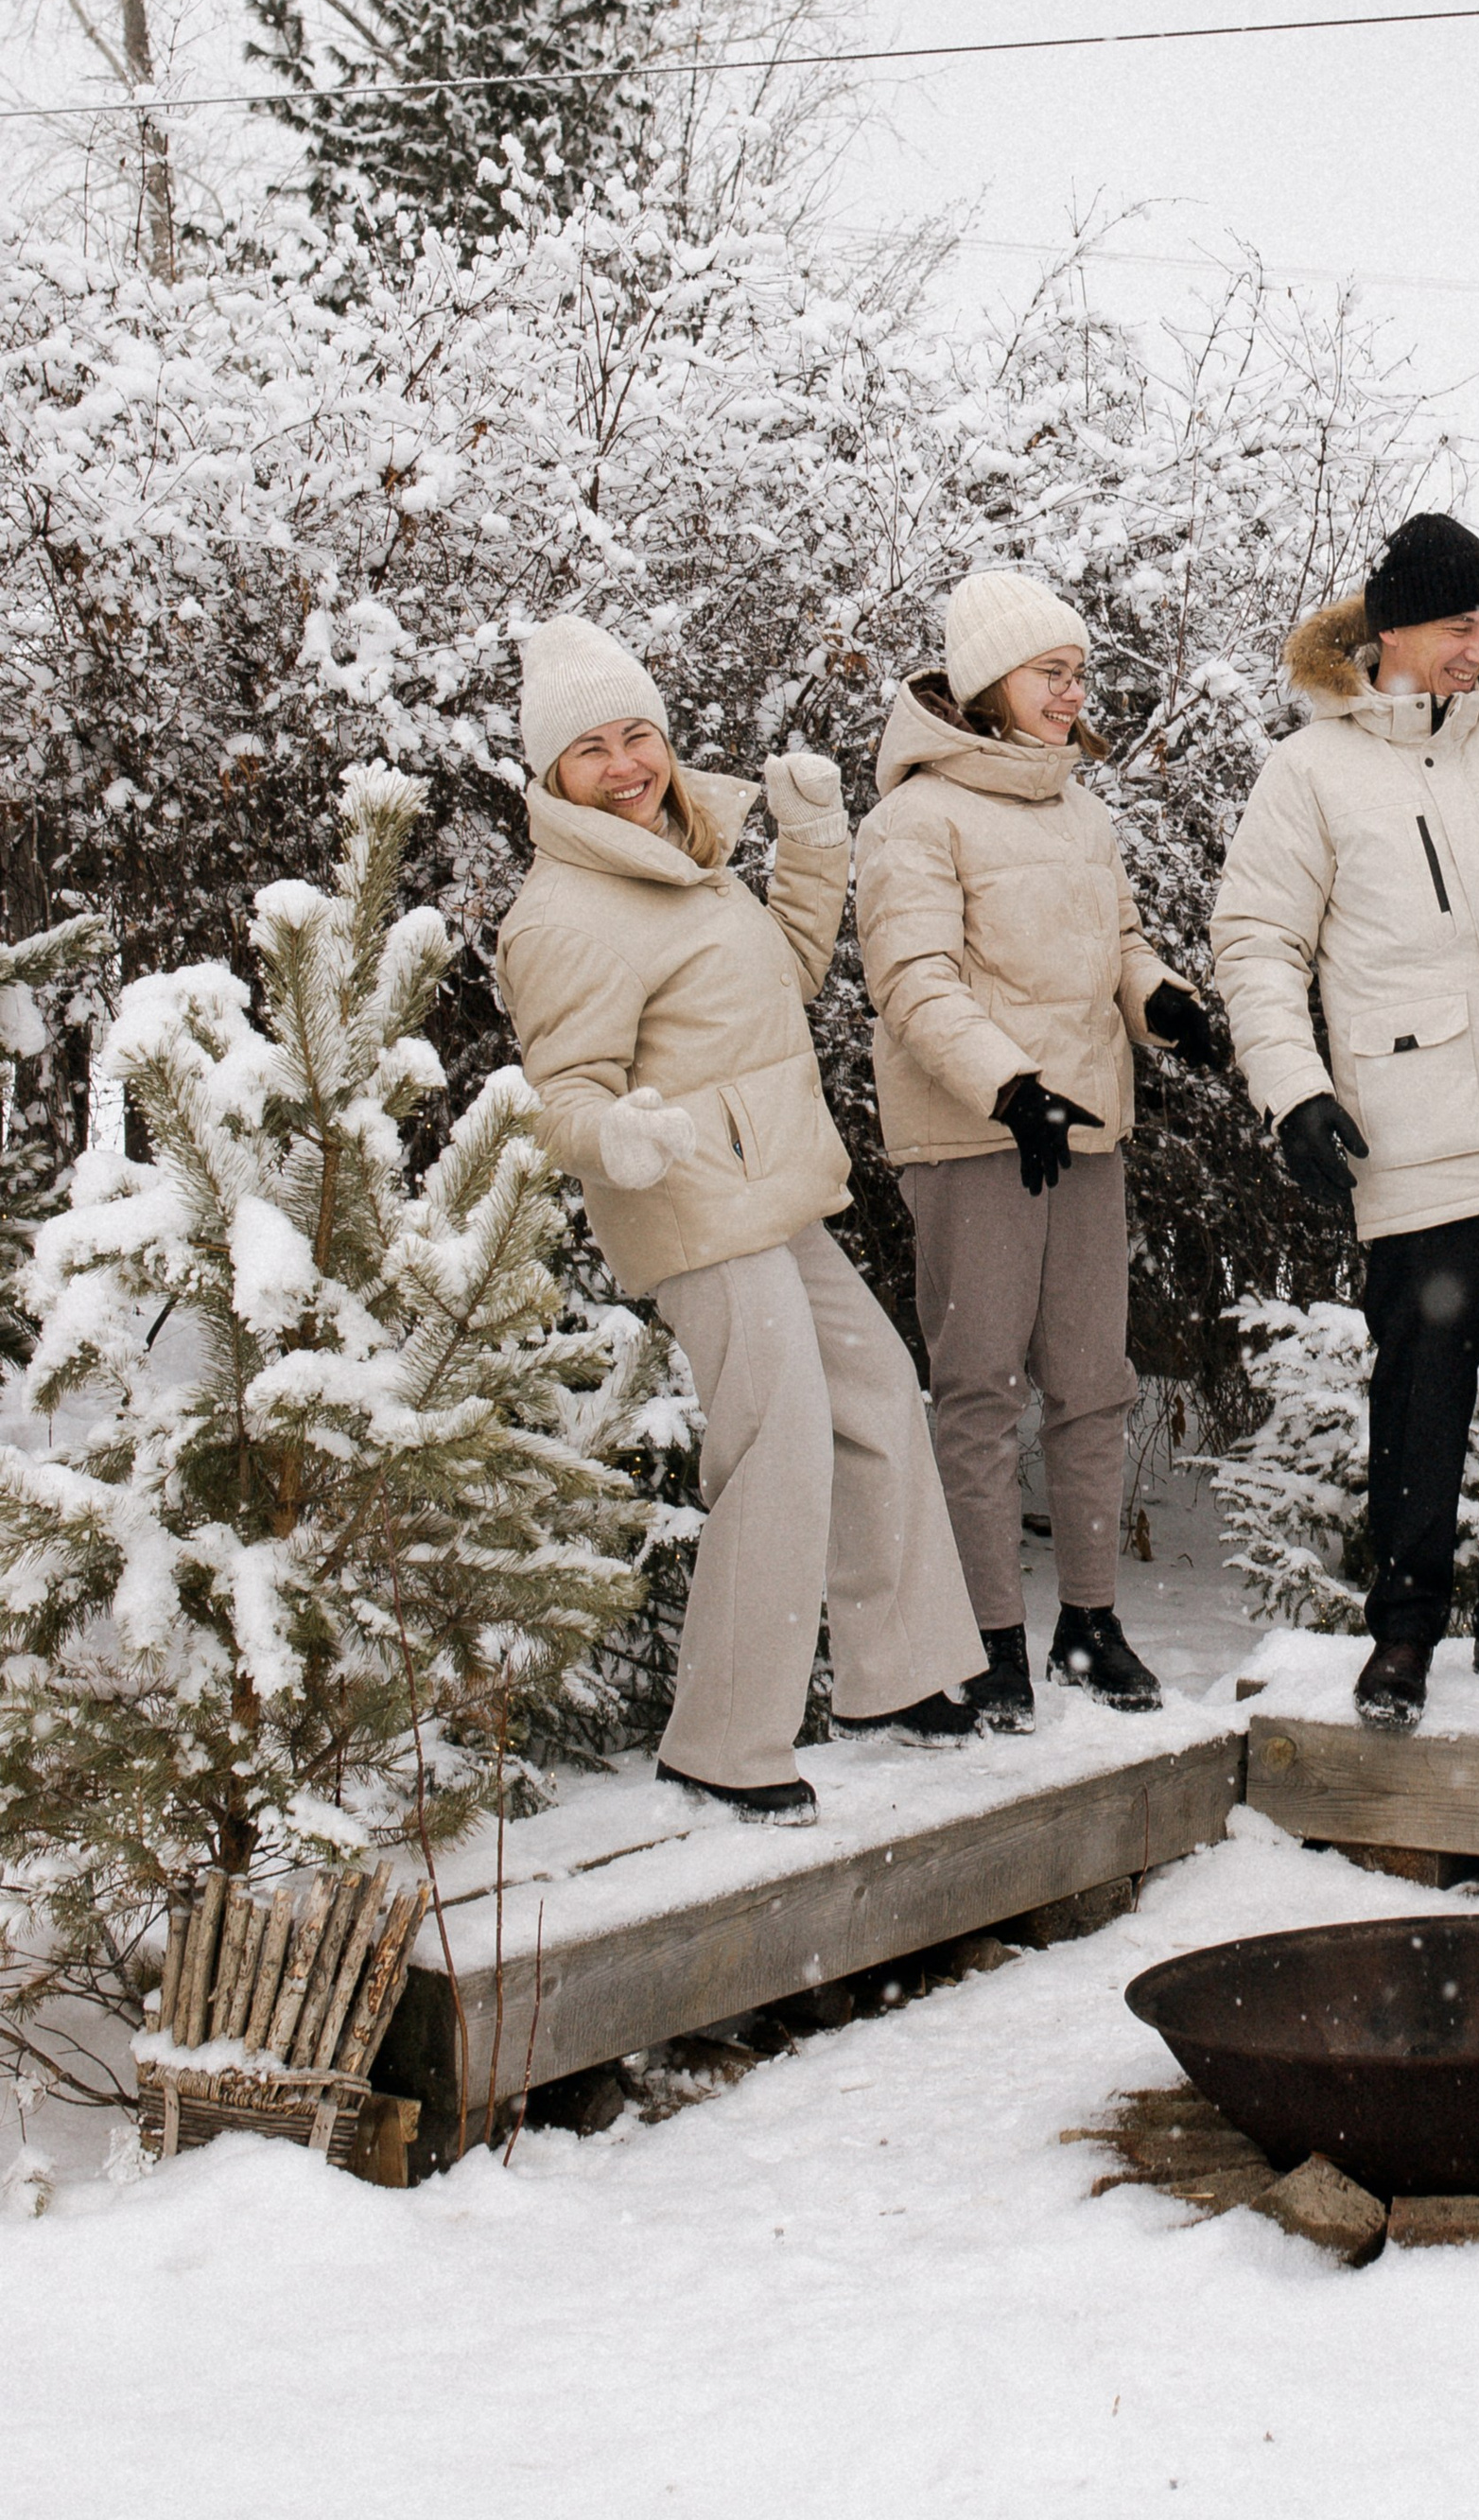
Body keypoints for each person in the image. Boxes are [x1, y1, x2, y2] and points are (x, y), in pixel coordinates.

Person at [495, 615, 986, 1826]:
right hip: (692, 1207)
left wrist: (814, 842)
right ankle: (725, 1741)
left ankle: (898, 1675)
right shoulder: (565, 912)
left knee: (875, 1393)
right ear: (550, 774)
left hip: (765, 1188)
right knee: (778, 1442)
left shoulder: (684, 858)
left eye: (638, 736)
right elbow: (559, 1098)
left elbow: (788, 981)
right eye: (592, 750)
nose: (625, 764)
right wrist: (612, 1136)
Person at [1210, 512, 1479, 1736]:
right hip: (1419, 1132)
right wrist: (1292, 1088)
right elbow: (1255, 940)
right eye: (1463, 623)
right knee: (1420, 1396)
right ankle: (1402, 1637)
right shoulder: (1311, 773)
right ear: (1393, 629)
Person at [854, 570, 1216, 1731]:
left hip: (1083, 1129)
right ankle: (990, 1639)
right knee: (975, 1388)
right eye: (1049, 673)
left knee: (1093, 1384)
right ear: (984, 684)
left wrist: (1161, 1004)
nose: (1072, 694)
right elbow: (914, 981)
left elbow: (1118, 942)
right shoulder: (912, 817)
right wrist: (1009, 1088)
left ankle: (1092, 1625)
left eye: (1077, 674)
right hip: (975, 1133)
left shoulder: (1078, 809)